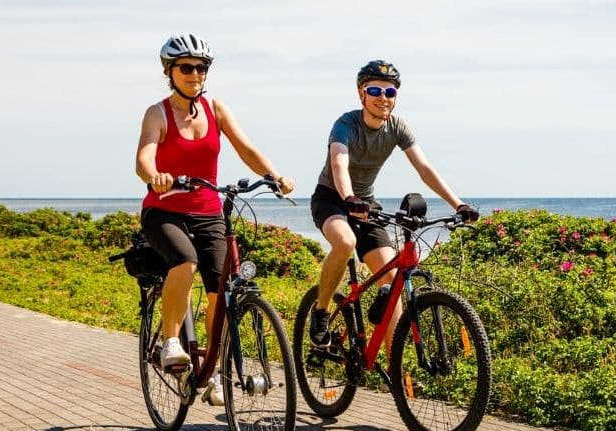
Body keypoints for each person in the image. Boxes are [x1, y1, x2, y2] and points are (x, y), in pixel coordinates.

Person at [135, 34, 295, 406]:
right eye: (187, 67)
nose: (195, 74)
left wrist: (274, 176)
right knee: (185, 261)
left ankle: (215, 369)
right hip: (164, 210)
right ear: (170, 72)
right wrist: (154, 175)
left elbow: (246, 148)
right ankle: (171, 341)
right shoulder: (157, 114)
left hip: (209, 212)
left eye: (201, 67)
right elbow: (144, 156)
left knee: (223, 291)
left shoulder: (216, 109)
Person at [308, 60, 479, 354]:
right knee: (346, 241)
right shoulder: (346, 124)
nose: (383, 98)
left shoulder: (398, 127)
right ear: (362, 93)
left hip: (366, 203)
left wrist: (459, 203)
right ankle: (321, 311)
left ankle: (394, 372)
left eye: (390, 92)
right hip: (332, 197)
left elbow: (424, 168)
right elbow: (339, 162)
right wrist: (349, 198)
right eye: (375, 90)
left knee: (392, 281)